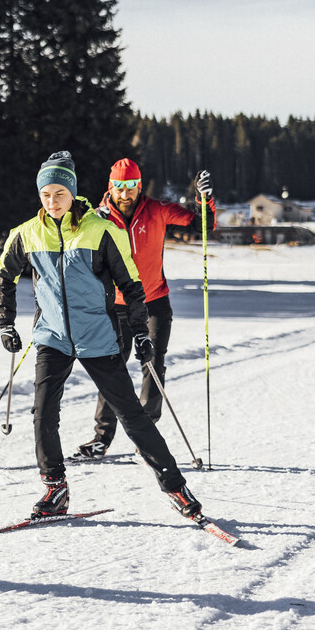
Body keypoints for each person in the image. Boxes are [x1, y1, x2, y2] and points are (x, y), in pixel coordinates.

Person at [0, 151, 201, 519]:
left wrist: (141, 333)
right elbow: (3, 277)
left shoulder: (101, 230)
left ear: (72, 193)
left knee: (131, 413)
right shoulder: (26, 233)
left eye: (60, 193)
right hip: (52, 337)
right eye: (46, 194)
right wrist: (6, 322)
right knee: (43, 413)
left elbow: (131, 286)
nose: (53, 201)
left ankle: (174, 486)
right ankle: (55, 487)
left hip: (98, 336)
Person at [74, 159, 217, 460]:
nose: (125, 194)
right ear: (110, 187)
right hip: (115, 304)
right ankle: (102, 437)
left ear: (139, 186)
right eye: (119, 187)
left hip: (153, 301)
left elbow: (200, 225)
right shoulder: (98, 217)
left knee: (152, 363)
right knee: (112, 367)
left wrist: (203, 199)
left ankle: (146, 435)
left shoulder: (158, 210)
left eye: (131, 187)